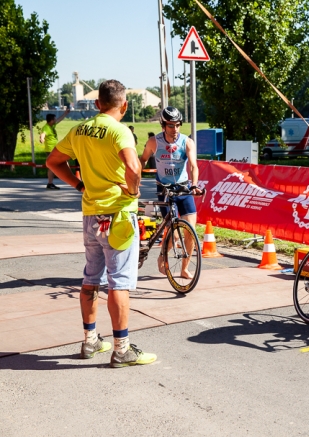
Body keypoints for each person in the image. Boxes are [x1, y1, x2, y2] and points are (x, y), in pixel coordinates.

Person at [46, 79, 156, 368]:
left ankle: (90, 340)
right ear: (124, 105)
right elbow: (134, 167)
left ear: (97, 104)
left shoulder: (79, 130)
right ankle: (122, 349)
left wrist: (79, 185)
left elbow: (53, 162)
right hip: (118, 216)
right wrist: (133, 192)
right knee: (119, 281)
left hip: (90, 215)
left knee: (91, 278)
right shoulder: (120, 131)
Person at [140, 106, 201, 278]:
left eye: (177, 125)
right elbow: (142, 160)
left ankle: (184, 269)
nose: (174, 129)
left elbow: (193, 166)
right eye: (170, 125)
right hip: (164, 189)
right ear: (163, 125)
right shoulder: (154, 142)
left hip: (183, 188)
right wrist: (135, 178)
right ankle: (163, 255)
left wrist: (194, 185)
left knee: (191, 231)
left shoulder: (187, 142)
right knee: (173, 233)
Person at [39, 108, 70, 189]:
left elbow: (59, 119)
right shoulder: (46, 127)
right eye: (54, 119)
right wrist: (41, 138)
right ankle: (52, 182)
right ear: (51, 121)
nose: (56, 120)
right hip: (50, 150)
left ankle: (51, 183)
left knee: (56, 164)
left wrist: (65, 113)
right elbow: (43, 134)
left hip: (55, 149)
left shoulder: (52, 125)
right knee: (53, 166)